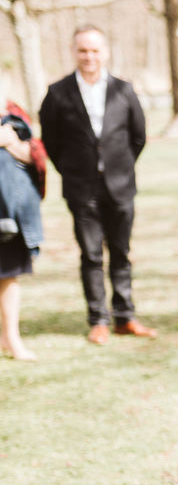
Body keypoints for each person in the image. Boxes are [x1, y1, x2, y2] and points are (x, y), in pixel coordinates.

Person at [38, 24, 156, 345]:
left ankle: (125, 317)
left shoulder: (124, 90)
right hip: (81, 188)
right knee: (91, 254)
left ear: (105, 52)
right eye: (83, 50)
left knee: (121, 252)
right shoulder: (58, 93)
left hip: (120, 186)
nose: (89, 56)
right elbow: (51, 141)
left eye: (94, 50)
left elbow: (138, 136)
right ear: (74, 52)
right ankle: (98, 320)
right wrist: (73, 171)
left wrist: (120, 167)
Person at [0, 81, 47, 361]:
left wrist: (12, 142)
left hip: (10, 215)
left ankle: (12, 339)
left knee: (8, 276)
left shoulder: (15, 119)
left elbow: (36, 157)